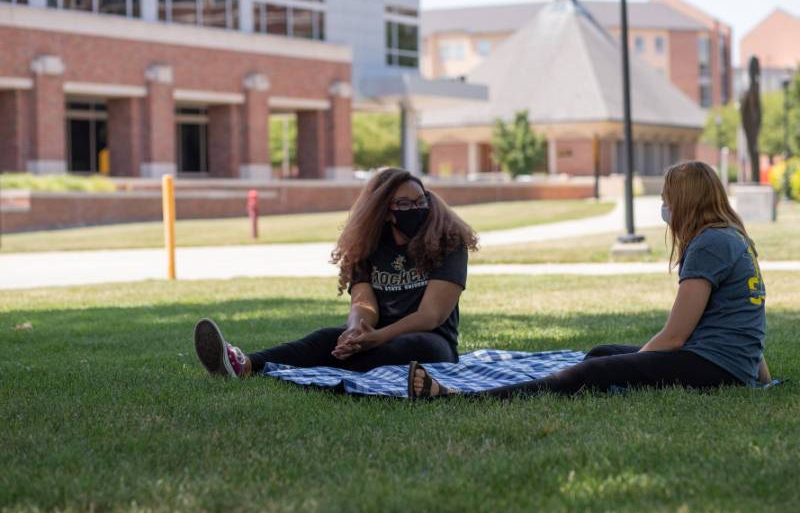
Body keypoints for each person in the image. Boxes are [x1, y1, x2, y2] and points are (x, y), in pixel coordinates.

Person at [409, 160, 771, 399]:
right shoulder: (732, 237)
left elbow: (675, 336)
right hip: (726, 364)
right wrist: (760, 377)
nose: (665, 209)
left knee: (596, 369)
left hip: (713, 367)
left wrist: (636, 365)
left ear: (686, 202)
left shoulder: (709, 243)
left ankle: (460, 397)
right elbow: (746, 321)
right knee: (601, 355)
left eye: (667, 200)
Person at [195, 168, 478, 379]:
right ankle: (244, 365)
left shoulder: (448, 242)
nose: (416, 209)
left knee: (404, 348)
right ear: (386, 212)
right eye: (404, 204)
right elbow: (364, 304)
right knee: (325, 338)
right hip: (375, 336)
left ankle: (302, 370)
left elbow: (432, 316)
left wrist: (377, 337)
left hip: (432, 342)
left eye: (421, 200)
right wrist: (356, 329)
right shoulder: (368, 245)